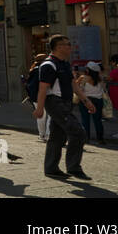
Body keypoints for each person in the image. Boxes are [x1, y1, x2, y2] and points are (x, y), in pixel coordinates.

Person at [34, 35, 96, 180]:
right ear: (58, 47)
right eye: (67, 44)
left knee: (57, 136)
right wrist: (39, 108)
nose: (70, 47)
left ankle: (51, 168)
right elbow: (43, 88)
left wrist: (86, 101)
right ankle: (74, 167)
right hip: (55, 102)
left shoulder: (65, 64)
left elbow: (73, 84)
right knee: (78, 132)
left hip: (66, 103)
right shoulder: (48, 65)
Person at [76, 62, 105, 143]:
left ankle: (86, 138)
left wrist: (75, 76)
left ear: (88, 70)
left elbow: (76, 87)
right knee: (98, 120)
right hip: (98, 100)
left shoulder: (83, 78)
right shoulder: (100, 78)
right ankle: (100, 138)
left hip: (86, 100)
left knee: (85, 120)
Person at [24, 54, 49, 143]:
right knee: (50, 115)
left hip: (35, 96)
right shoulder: (43, 69)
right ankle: (47, 135)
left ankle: (42, 135)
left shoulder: (33, 70)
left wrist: (30, 95)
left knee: (41, 116)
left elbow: (28, 85)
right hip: (44, 95)